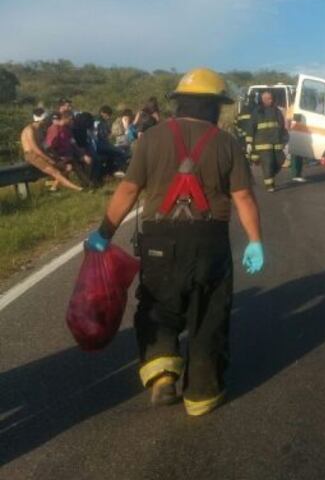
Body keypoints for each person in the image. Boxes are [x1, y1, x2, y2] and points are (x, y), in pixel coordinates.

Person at [85, 68, 264, 417]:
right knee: (208, 316)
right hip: (209, 240)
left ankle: (162, 372)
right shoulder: (227, 143)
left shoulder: (150, 138)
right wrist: (255, 241)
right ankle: (202, 394)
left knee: (158, 306)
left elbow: (128, 189)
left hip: (159, 240)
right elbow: (243, 197)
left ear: (178, 102)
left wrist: (104, 233)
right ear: (215, 107)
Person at [20, 109, 83, 191]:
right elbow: (35, 149)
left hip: (41, 153)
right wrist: (49, 159)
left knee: (68, 167)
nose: (48, 121)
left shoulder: (39, 129)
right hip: (32, 155)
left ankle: (53, 186)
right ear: (42, 119)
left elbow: (45, 146)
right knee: (55, 172)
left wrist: (54, 156)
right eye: (46, 119)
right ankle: (78, 189)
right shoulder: (29, 130)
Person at [249, 90, 289, 192]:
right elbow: (251, 128)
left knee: (281, 160)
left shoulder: (277, 111)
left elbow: (281, 127)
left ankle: (269, 174)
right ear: (262, 100)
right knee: (268, 163)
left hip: (276, 143)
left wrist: (284, 139)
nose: (269, 101)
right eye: (267, 99)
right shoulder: (257, 111)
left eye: (271, 98)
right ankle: (270, 185)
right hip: (262, 144)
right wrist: (249, 143)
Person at [45, 111, 93, 186]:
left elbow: (73, 143)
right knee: (73, 165)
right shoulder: (53, 129)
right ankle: (86, 183)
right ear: (64, 119)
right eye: (70, 120)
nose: (71, 122)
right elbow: (50, 147)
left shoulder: (67, 129)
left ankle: (87, 182)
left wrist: (82, 154)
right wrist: (58, 157)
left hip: (69, 154)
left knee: (86, 160)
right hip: (59, 156)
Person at [94, 105, 128, 177]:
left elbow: (107, 135)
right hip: (99, 145)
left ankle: (110, 171)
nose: (108, 117)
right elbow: (98, 136)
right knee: (120, 152)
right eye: (108, 115)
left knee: (115, 152)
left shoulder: (103, 122)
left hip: (102, 144)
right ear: (102, 113)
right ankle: (121, 171)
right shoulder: (98, 123)